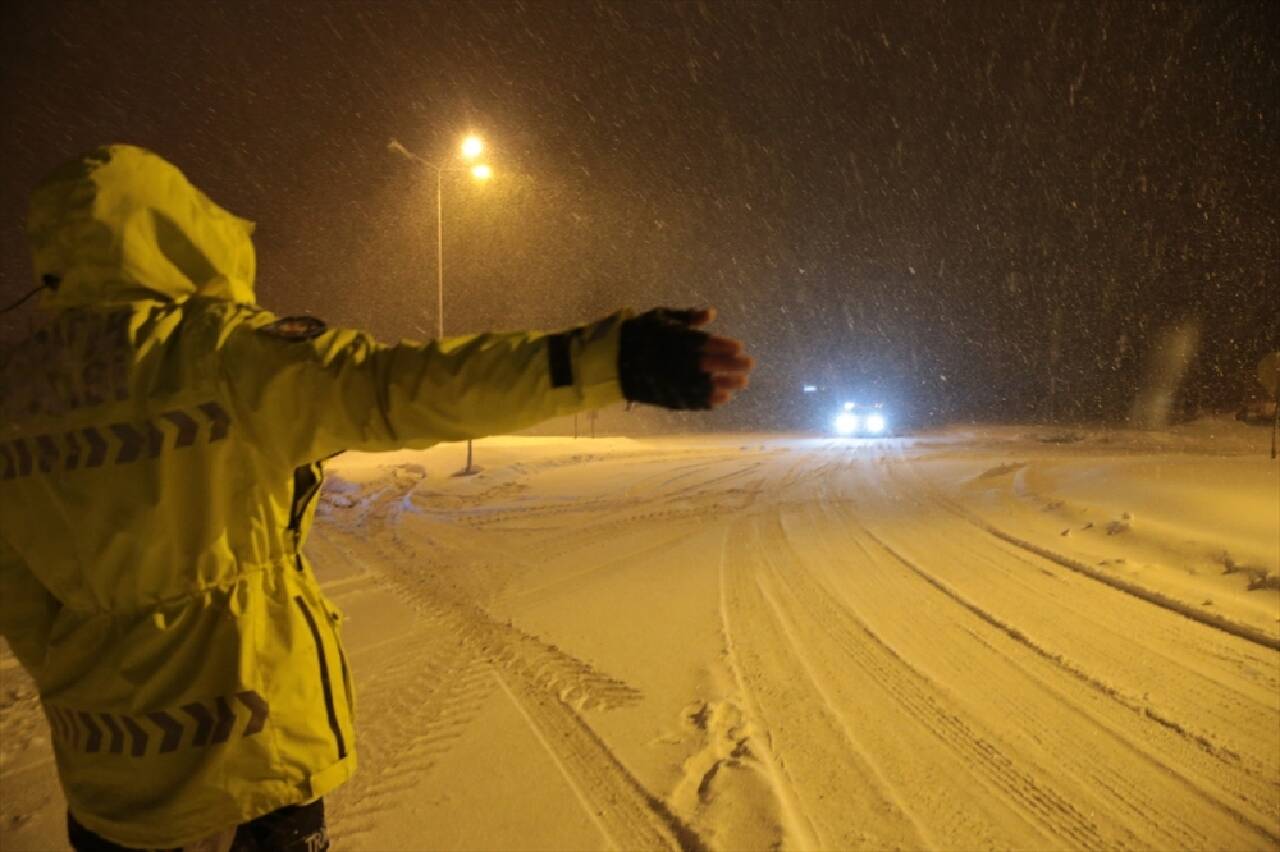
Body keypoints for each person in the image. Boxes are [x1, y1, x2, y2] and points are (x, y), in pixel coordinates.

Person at [0, 145, 753, 851]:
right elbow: (401, 388)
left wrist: (107, 698)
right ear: (175, 231)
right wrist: (601, 360)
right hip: (241, 776)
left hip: (102, 789)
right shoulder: (214, 355)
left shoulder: (16, 390)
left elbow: (24, 607)